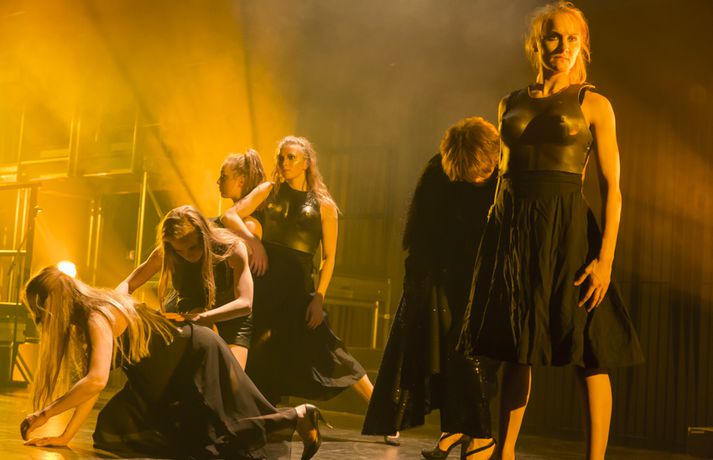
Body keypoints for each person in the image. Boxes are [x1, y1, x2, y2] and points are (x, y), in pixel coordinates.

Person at [457, 3, 643, 460]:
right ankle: (504, 453)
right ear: (536, 43)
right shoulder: (510, 102)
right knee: (516, 347)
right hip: (515, 230)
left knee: (589, 351)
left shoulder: (594, 104)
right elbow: (503, 174)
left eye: (571, 38)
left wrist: (605, 260)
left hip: (567, 233)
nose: (562, 46)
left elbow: (613, 190)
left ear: (583, 45)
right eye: (553, 37)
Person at [19, 265, 327, 459]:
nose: (38, 319)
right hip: (171, 367)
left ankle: (299, 415)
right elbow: (93, 383)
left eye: (38, 311)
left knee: (223, 428)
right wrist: (65, 435)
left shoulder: (95, 316)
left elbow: (96, 380)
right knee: (114, 428)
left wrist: (44, 414)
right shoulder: (93, 312)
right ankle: (297, 417)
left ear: (54, 305)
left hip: (191, 356)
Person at [362, 117, 500, 460]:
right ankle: (458, 427)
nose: (477, 181)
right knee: (445, 354)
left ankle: (479, 433)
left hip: (483, 277)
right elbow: (421, 232)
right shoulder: (439, 173)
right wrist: (420, 281)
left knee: (472, 355)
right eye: (471, 175)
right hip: (443, 275)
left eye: (482, 174)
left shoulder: (501, 176)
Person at [222, 136, 374, 407]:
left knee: (329, 347)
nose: (284, 162)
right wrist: (254, 241)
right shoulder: (269, 190)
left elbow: (329, 257)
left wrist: (319, 298)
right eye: (281, 157)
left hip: (298, 285)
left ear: (307, 163)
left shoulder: (324, 205)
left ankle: (378, 406)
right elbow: (230, 215)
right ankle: (255, 409)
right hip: (266, 281)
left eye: (291, 157)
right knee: (260, 349)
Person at [117, 205, 252, 369]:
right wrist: (117, 307)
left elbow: (245, 303)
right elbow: (128, 283)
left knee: (232, 378)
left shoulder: (232, 248)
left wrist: (202, 317)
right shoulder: (166, 251)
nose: (188, 255)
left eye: (193, 247)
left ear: (204, 236)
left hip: (231, 317)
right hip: (191, 312)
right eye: (180, 250)